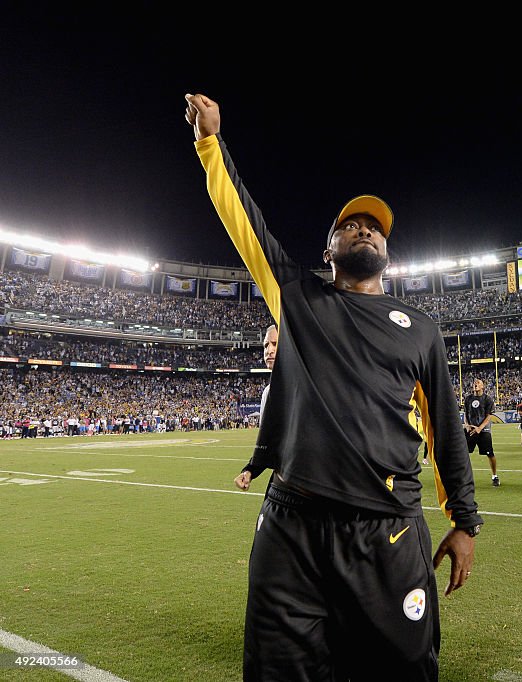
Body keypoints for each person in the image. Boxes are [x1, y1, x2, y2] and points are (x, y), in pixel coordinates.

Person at [186, 93, 482, 681]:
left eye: (375, 227)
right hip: (291, 528)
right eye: (352, 225)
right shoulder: (297, 297)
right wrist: (210, 144)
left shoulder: (420, 330)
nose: (365, 230)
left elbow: (447, 431)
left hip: (387, 530)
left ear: (389, 255)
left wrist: (465, 524)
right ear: (330, 249)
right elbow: (245, 222)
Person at [234, 323, 278, 492]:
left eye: (275, 344)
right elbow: (268, 443)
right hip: (284, 480)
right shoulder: (269, 392)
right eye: (266, 345)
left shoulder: (306, 386)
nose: (269, 350)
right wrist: (250, 470)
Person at [464, 379, 499, 487]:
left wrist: (480, 428)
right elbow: (465, 413)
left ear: (483, 386)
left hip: (484, 430)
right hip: (471, 429)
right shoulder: (468, 398)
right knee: (463, 453)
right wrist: (466, 425)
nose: (475, 384)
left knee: (489, 453)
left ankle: (494, 476)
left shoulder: (487, 399)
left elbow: (488, 416)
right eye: (474, 383)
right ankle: (462, 477)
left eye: (478, 383)